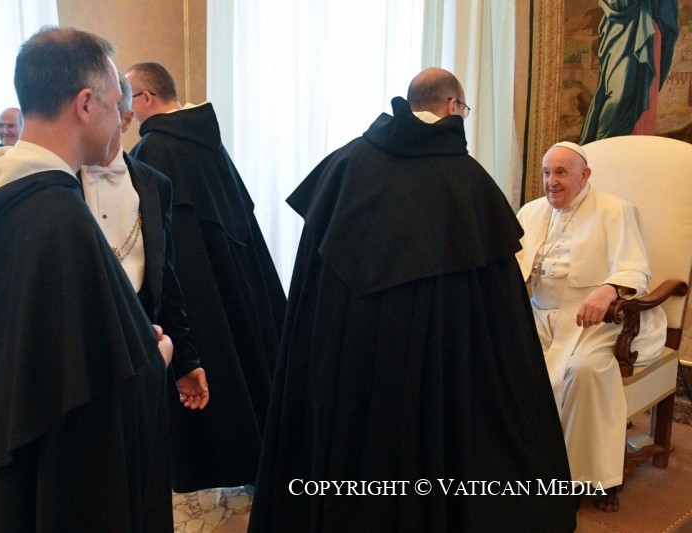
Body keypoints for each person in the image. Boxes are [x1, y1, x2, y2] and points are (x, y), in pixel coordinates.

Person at [247, 67, 577, 532]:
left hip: (351, 367)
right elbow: (501, 324)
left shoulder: (345, 166)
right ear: (452, 108)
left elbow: (310, 292)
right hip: (439, 372)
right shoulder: (468, 182)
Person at [0, 27, 183, 532]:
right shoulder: (60, 218)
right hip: (41, 480)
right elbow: (94, 400)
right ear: (86, 104)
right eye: (113, 104)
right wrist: (155, 358)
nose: (119, 121)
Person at [126, 62, 287, 492]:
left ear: (144, 99)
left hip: (197, 296)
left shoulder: (154, 150)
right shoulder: (209, 141)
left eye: (127, 98)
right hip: (239, 281)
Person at [516, 141, 667, 511]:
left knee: (584, 369)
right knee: (498, 358)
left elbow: (635, 268)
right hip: (538, 316)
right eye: (546, 172)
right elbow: (511, 267)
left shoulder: (616, 211)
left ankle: (586, 478)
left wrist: (607, 290)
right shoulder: (530, 212)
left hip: (595, 321)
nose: (551, 181)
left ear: (584, 176)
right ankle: (518, 465)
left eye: (561, 172)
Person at [79, 73, 209, 408]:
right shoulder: (59, 182)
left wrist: (186, 362)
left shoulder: (154, 184)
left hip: (144, 352)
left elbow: (166, 278)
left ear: (125, 120)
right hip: (80, 360)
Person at [578, 0, 678, 143]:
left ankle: (634, 152)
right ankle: (603, 147)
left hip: (646, 29)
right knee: (619, 95)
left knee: (639, 90)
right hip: (620, 30)